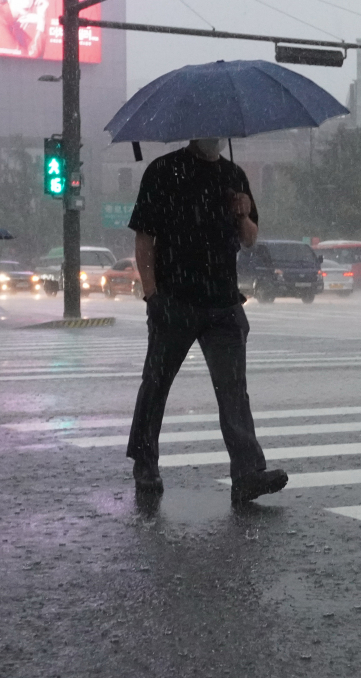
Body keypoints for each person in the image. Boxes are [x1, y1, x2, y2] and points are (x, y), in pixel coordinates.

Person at [125, 138, 288, 506]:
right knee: (157, 382)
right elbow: (144, 238)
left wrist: (243, 213)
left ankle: (247, 474)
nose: (212, 134)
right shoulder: (163, 171)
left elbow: (249, 240)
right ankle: (145, 461)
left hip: (224, 303)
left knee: (233, 390)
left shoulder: (233, 176)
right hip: (175, 300)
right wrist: (152, 295)